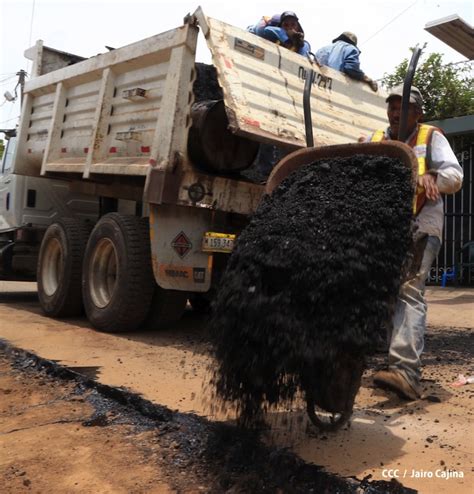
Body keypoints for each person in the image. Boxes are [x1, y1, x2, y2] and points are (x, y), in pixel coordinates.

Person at [370, 85, 463, 400]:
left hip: (421, 224)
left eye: (404, 107)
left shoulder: (430, 137)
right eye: (392, 106)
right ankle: (381, 359)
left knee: (409, 290)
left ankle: (405, 372)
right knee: (382, 290)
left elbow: (455, 175)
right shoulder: (378, 140)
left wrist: (432, 177)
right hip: (385, 228)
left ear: (418, 114)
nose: (396, 113)